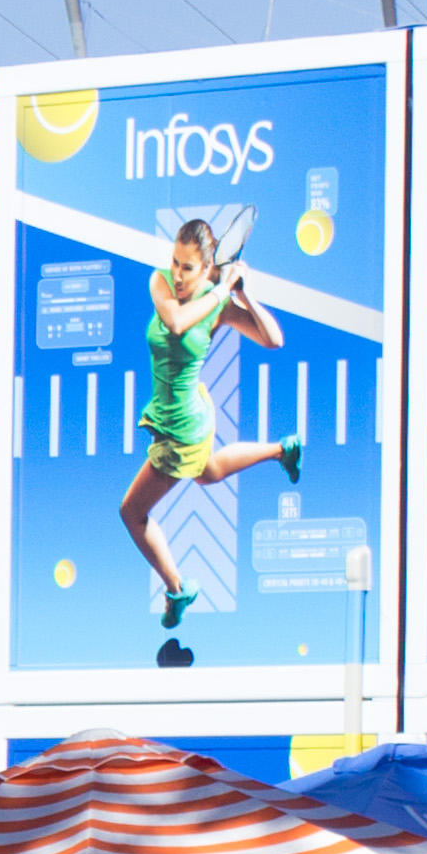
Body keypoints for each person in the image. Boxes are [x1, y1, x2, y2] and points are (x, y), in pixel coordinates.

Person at [117, 213, 311, 637]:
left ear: (206, 267)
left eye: (188, 267)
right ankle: (283, 449)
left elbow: (273, 339)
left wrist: (242, 296)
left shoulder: (219, 305)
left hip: (183, 426)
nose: (178, 274)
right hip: (183, 413)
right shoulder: (161, 284)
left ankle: (177, 589)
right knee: (209, 472)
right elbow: (175, 321)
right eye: (175, 262)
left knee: (131, 512)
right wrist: (222, 289)